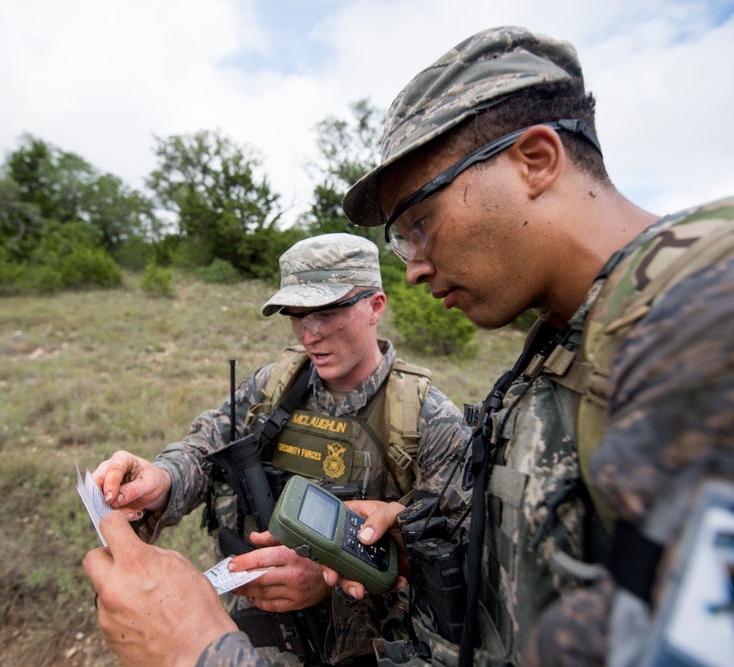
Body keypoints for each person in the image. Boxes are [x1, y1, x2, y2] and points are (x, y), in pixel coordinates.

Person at [84, 27, 734, 667]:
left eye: (420, 223)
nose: (414, 264)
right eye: (399, 239)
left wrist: (198, 651)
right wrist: (401, 533)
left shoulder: (732, 326)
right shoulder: (560, 355)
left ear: (534, 158)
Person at [86, 232, 472, 666]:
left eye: (326, 313)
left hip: (368, 651)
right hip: (256, 637)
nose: (309, 335)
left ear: (375, 306)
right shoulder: (273, 386)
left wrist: (330, 577)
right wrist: (164, 478)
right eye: (297, 316)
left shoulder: (426, 419)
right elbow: (206, 443)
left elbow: (453, 565)